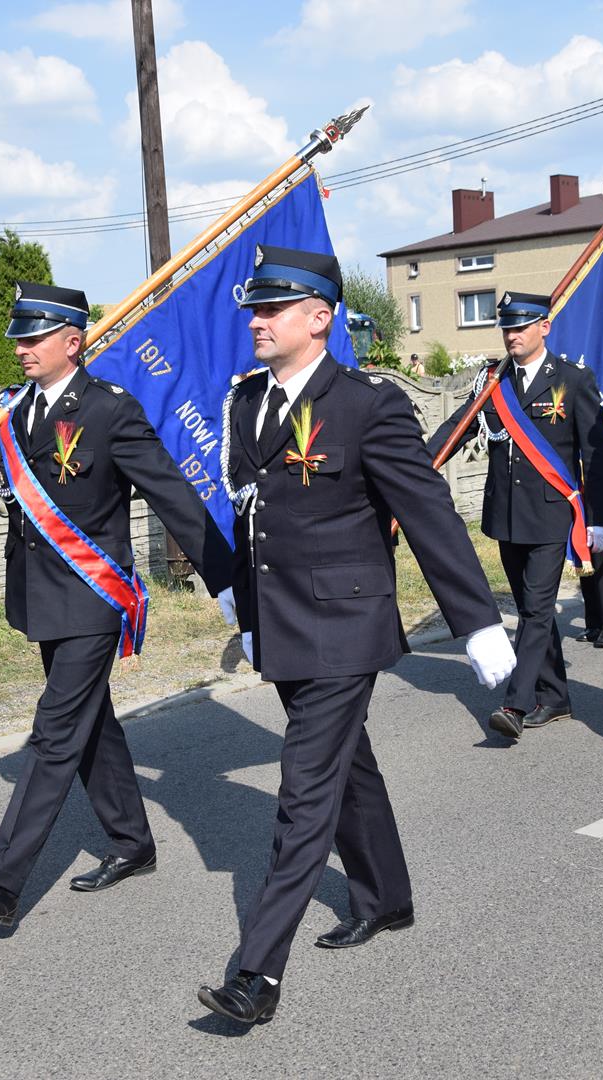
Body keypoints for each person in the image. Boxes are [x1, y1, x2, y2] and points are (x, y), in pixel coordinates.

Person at [196, 245, 515, 1025]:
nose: (257, 322)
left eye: (272, 309)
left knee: (304, 789)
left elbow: (429, 511)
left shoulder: (368, 403)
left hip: (346, 624)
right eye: (254, 310)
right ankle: (388, 897)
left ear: (320, 317)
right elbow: (254, 518)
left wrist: (475, 620)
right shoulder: (247, 403)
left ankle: (257, 973)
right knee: (349, 770)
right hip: (283, 625)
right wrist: (243, 605)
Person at [0, 282, 233, 927]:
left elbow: (172, 493)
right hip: (41, 595)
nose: (21, 347)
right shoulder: (9, 412)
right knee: (89, 723)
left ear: (72, 343)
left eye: (35, 336)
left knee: (52, 733)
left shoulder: (108, 410)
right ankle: (132, 842)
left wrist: (229, 581)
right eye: (18, 337)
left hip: (93, 596)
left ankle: (2, 884)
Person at [426, 292, 603, 737]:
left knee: (534, 609)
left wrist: (602, 518)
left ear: (544, 328)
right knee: (537, 612)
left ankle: (515, 703)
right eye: (507, 328)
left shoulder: (572, 379)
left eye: (521, 327)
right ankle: (555, 697)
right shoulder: (493, 382)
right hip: (507, 516)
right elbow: (456, 429)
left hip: (552, 514)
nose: (512, 335)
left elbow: (599, 452)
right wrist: (416, 462)